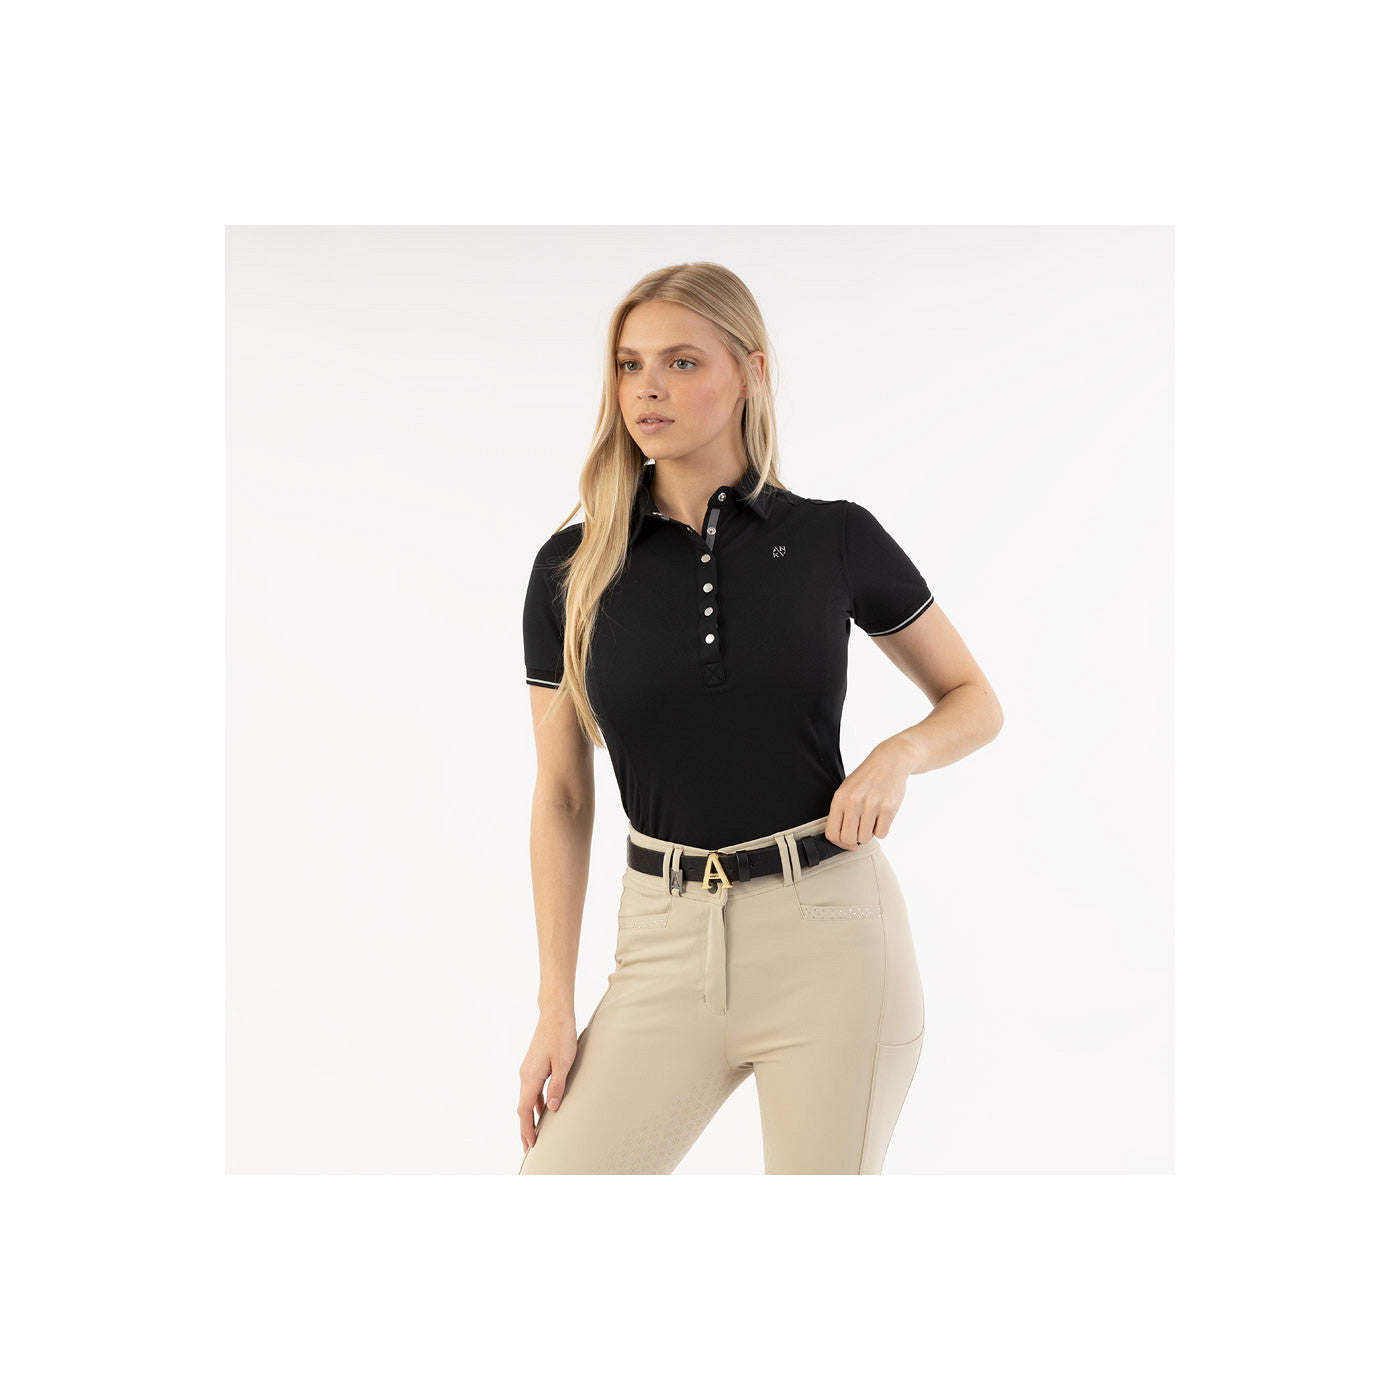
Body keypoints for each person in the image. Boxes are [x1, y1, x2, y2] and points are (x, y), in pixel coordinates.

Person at [516, 262, 1003, 1174]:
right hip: (660, 944)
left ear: (751, 371)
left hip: (832, 942)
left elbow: (974, 700)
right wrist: (554, 1006)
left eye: (682, 362)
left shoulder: (833, 538)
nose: (648, 388)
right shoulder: (570, 569)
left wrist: (897, 755)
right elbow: (563, 798)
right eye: (629, 365)